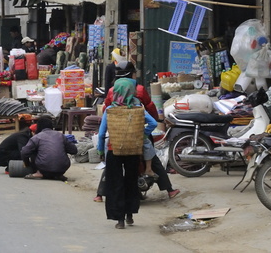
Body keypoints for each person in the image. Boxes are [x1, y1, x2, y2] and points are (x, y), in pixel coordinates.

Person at [94, 63, 179, 203]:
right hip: (137, 130)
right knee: (153, 157)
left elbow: (106, 111)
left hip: (117, 134)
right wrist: (148, 126)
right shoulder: (138, 89)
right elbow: (150, 107)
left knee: (111, 161)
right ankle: (169, 189)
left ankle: (99, 194)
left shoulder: (112, 90)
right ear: (132, 74)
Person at [97, 78, 156, 229]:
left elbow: (102, 133)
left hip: (113, 149)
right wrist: (141, 135)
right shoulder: (138, 108)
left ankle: (120, 220)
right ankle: (130, 215)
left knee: (115, 183)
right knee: (130, 181)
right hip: (133, 150)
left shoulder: (110, 110)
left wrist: (99, 149)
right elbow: (153, 123)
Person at [20, 115, 77, 180]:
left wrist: (27, 164)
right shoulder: (60, 135)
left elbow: (24, 152)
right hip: (62, 168)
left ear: (38, 127)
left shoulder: (36, 137)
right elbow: (74, 150)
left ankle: (39, 173)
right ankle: (58, 175)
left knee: (33, 151)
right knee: (60, 149)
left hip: (43, 168)